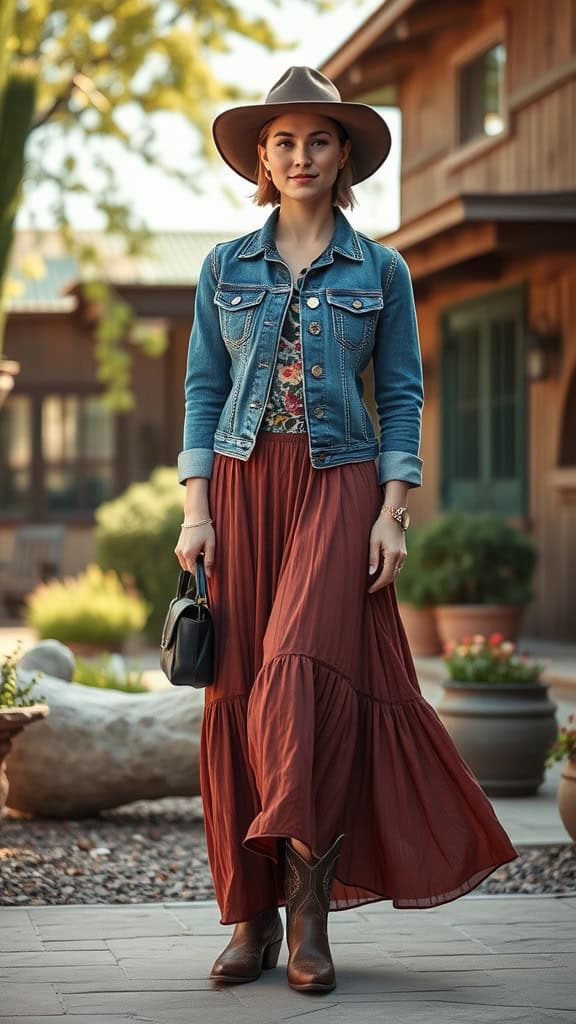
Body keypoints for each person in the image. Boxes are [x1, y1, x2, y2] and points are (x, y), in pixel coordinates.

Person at [175, 66, 517, 994]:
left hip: (340, 481)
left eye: (318, 140)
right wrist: (196, 507)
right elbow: (205, 392)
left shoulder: (383, 270)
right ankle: (249, 919)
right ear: (261, 157)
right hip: (242, 484)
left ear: (344, 156)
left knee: (300, 676)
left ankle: (310, 914)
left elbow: (402, 394)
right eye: (283, 141)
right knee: (239, 688)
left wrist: (394, 512)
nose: (300, 156)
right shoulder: (222, 267)